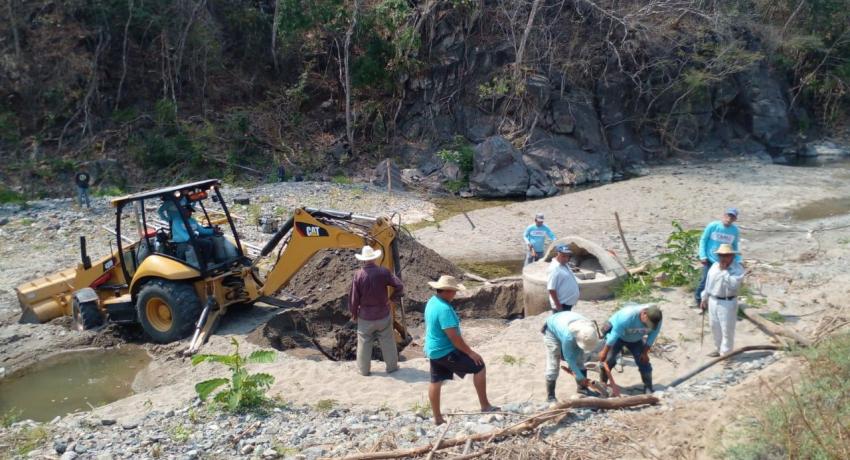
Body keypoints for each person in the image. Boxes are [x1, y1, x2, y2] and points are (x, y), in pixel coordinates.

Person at [424, 275, 499, 425]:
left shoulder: (432, 301)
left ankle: (437, 418)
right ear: (445, 291)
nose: (455, 294)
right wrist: (470, 352)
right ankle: (485, 405)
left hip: (433, 349)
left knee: (436, 381)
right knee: (479, 366)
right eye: (453, 291)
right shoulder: (444, 309)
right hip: (446, 351)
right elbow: (454, 338)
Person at [348, 245, 404, 376]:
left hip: (365, 317)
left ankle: (363, 370)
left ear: (363, 260)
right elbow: (399, 286)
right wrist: (392, 299)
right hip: (383, 314)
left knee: (364, 342)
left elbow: (354, 298)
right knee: (388, 341)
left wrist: (354, 314)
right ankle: (392, 367)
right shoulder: (384, 272)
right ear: (375, 258)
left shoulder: (358, 275)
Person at [598, 304, 663, 394]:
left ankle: (648, 387)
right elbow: (613, 336)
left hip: (635, 339)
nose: (648, 326)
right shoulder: (627, 316)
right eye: (648, 324)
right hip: (617, 337)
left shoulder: (656, 319)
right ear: (644, 314)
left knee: (643, 361)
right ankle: (603, 384)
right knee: (608, 360)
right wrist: (604, 352)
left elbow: (652, 336)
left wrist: (645, 353)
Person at [542, 311, 600, 401]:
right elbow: (569, 358)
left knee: (580, 359)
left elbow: (577, 355)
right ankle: (550, 396)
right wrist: (579, 376)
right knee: (554, 362)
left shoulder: (589, 328)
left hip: (564, 321)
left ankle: (582, 390)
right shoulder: (568, 336)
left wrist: (577, 370)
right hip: (551, 330)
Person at [700, 244, 745, 357]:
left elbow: (734, 285)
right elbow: (708, 283)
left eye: (726, 255)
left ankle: (726, 354)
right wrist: (704, 298)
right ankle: (718, 348)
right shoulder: (714, 266)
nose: (723, 258)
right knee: (714, 326)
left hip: (727, 302)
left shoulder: (737, 269)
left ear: (732, 256)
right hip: (713, 300)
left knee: (727, 329)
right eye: (721, 255)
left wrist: (724, 272)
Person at [695, 208, 741, 307]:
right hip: (710, 259)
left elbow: (735, 246)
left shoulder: (735, 230)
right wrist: (702, 255)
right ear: (724, 215)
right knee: (705, 280)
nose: (729, 218)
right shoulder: (713, 226)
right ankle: (699, 301)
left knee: (722, 281)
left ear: (735, 219)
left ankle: (715, 301)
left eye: (732, 217)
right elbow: (703, 240)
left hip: (724, 261)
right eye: (728, 215)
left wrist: (737, 260)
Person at [547, 244, 580, 312]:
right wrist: (558, 305)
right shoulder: (554, 268)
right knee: (558, 321)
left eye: (567, 256)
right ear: (558, 254)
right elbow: (551, 289)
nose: (566, 258)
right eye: (563, 256)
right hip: (561, 304)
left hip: (567, 303)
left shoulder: (564, 264)